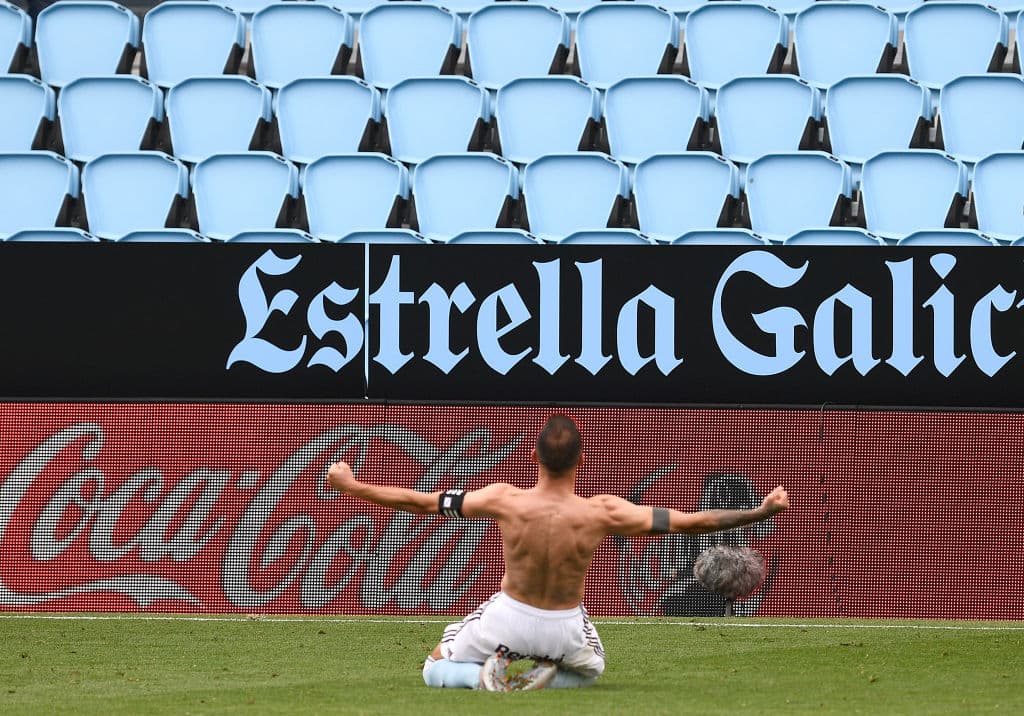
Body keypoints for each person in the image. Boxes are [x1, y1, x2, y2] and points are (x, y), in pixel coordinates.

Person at [326, 414, 789, 692]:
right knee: (594, 670)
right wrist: (760, 511)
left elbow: (418, 500)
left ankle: (482, 680)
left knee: (433, 668)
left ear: (534, 457)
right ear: (582, 461)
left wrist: (350, 484)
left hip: (507, 618)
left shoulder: (505, 498)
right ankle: (541, 677)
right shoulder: (602, 512)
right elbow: (695, 520)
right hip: (564, 627)